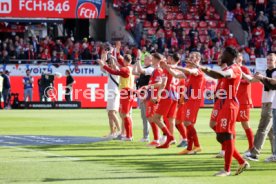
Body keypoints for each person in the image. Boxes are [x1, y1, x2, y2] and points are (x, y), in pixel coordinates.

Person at [192, 47, 249, 176]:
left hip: (229, 105)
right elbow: (217, 75)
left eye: (223, 53)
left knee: (226, 136)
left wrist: (205, 68)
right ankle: (241, 161)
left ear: (229, 55)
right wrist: (204, 68)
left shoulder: (234, 69)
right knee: (221, 136)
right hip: (224, 104)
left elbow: (222, 75)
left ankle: (227, 169)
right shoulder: (227, 69)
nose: (221, 55)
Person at [243, 53, 276, 161]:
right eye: (268, 59)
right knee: (271, 132)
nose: (269, 61)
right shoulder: (266, 72)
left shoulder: (274, 73)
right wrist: (241, 72)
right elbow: (251, 80)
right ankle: (275, 154)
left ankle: (254, 153)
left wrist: (262, 78)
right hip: (266, 103)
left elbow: (273, 83)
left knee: (262, 129)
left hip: (271, 103)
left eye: (271, 59)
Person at [171, 52, 206, 155]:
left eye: (192, 58)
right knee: (188, 124)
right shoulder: (189, 73)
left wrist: (175, 66)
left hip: (194, 100)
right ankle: (190, 147)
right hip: (188, 100)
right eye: (189, 57)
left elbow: (190, 70)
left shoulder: (197, 70)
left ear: (197, 60)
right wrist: (168, 68)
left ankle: (197, 145)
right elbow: (177, 75)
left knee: (187, 123)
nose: (189, 59)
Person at [99, 52, 135, 141]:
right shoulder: (129, 68)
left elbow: (114, 70)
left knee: (124, 114)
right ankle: (125, 134)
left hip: (123, 92)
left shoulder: (124, 69)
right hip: (127, 91)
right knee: (123, 114)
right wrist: (114, 59)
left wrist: (104, 65)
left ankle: (124, 134)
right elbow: (118, 68)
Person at [137, 53, 163, 146]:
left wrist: (147, 86)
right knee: (149, 117)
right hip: (150, 96)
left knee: (152, 117)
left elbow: (160, 83)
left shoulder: (158, 70)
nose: (151, 59)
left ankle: (159, 138)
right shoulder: (155, 70)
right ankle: (157, 138)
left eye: (152, 58)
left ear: (156, 59)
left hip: (154, 96)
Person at [135, 54, 154, 142]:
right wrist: (136, 62)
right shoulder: (146, 68)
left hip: (146, 95)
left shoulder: (150, 69)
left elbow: (139, 70)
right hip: (142, 94)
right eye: (144, 59)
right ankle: (146, 135)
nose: (144, 60)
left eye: (146, 59)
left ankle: (146, 136)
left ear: (151, 60)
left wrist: (138, 59)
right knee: (144, 116)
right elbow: (134, 72)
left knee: (147, 116)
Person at [100, 57, 121, 139]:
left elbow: (115, 66)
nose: (109, 64)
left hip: (114, 92)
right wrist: (104, 56)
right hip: (110, 93)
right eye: (108, 63)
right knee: (110, 113)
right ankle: (112, 132)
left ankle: (120, 131)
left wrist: (112, 58)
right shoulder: (109, 71)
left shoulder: (116, 70)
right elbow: (102, 68)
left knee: (112, 112)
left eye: (110, 63)